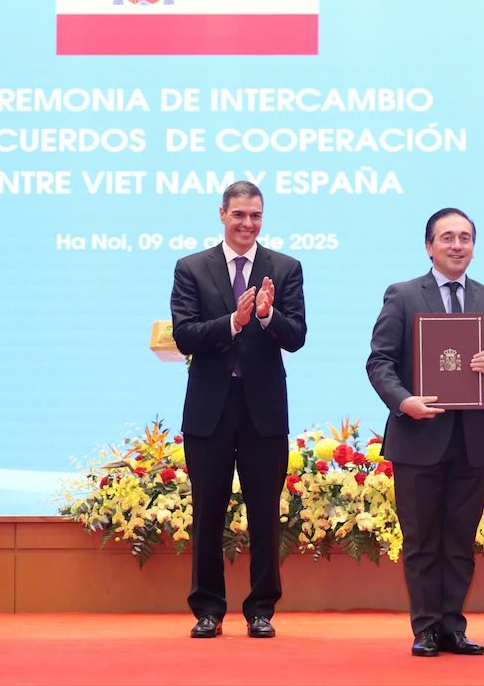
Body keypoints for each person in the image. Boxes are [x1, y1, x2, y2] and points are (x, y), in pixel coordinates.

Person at [366, 207, 484, 657]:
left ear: (474, 245)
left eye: (465, 237)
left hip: (469, 440)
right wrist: (403, 401)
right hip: (417, 437)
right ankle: (426, 628)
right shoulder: (403, 295)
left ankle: (453, 626)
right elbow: (380, 362)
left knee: (458, 541)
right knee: (421, 541)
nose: (457, 245)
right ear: (429, 246)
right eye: (447, 237)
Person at [170, 181, 307, 639]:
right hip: (210, 410)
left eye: (256, 216)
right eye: (239, 215)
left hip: (263, 410)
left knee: (265, 513)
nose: (248, 224)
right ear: (222, 214)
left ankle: (261, 609)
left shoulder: (284, 269)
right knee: (208, 512)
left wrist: (267, 317)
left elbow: (297, 336)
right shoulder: (191, 268)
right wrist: (234, 322)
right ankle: (207, 609)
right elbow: (186, 334)